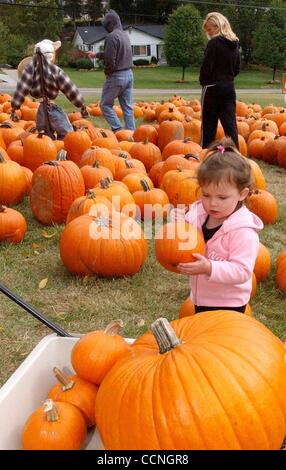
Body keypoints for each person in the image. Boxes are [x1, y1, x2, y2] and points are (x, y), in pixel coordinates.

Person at [172, 139, 263, 314]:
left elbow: (242, 271)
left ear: (242, 194)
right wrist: (179, 222)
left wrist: (210, 268)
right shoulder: (198, 212)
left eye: (222, 198)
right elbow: (187, 231)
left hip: (229, 304)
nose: (212, 203)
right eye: (206, 195)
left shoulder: (243, 231)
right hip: (200, 297)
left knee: (221, 339)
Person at [11, 39, 89, 140]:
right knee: (67, 134)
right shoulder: (55, 71)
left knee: (45, 137)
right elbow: (69, 89)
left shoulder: (30, 69)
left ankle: (49, 149)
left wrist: (14, 107)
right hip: (52, 109)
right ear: (51, 55)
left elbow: (21, 89)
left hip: (41, 112)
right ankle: (60, 150)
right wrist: (81, 104)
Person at [87, 9, 135, 133]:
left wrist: (107, 72)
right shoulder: (124, 35)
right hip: (129, 75)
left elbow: (110, 59)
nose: (105, 28)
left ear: (111, 23)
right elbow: (112, 54)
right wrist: (96, 54)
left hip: (117, 76)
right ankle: (130, 133)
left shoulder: (111, 36)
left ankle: (118, 130)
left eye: (106, 25)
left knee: (105, 105)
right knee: (128, 108)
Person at [200, 12, 240, 149]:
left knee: (208, 127)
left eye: (210, 30)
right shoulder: (235, 44)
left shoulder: (214, 43)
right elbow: (237, 69)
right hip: (229, 88)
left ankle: (206, 155)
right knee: (230, 126)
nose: (209, 33)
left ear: (218, 26)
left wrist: (203, 81)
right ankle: (236, 156)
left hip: (212, 88)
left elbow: (206, 67)